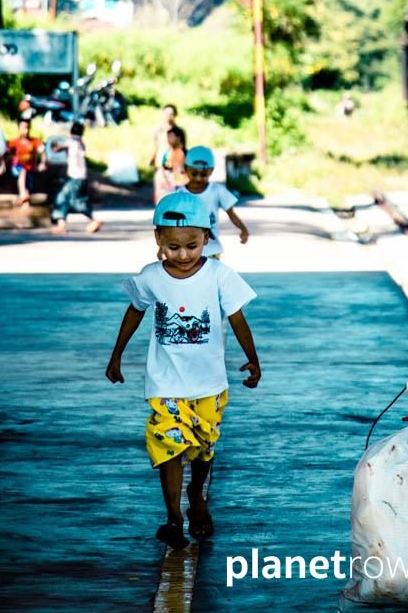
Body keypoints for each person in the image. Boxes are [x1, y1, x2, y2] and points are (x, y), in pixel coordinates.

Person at [105, 191, 260, 550]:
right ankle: (174, 517)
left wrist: (253, 359)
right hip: (166, 383)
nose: (184, 255)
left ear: (207, 237)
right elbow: (134, 312)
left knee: (204, 448)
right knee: (169, 446)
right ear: (158, 239)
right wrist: (116, 356)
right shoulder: (151, 278)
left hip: (209, 384)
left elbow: (238, 319)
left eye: (192, 245)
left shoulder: (220, 275)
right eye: (173, 247)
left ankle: (196, 492)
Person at [178, 145, 249, 258]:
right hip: (185, 250)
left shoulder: (217, 191)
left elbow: (231, 213)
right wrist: (162, 247)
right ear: (186, 168)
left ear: (211, 171)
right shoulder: (178, 195)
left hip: (211, 249)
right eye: (194, 173)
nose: (198, 178)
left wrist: (243, 229)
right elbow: (168, 223)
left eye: (203, 175)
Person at [50, 122, 102, 234]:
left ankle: (93, 219)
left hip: (75, 177)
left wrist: (53, 145)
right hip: (82, 177)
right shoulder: (81, 143)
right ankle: (62, 224)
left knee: (67, 200)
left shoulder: (71, 141)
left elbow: (58, 147)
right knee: (71, 199)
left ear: (71, 131)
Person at [0, 119, 45, 205]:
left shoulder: (35, 142)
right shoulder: (14, 142)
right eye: (23, 128)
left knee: (28, 190)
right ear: (19, 129)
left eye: (27, 128)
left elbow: (42, 152)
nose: (25, 131)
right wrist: (2, 165)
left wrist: (42, 163)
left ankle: (23, 200)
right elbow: (4, 153)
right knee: (23, 171)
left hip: (30, 169)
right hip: (17, 167)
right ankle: (22, 194)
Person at [153, 126, 188, 205]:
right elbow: (164, 166)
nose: (169, 139)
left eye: (171, 136)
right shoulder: (168, 152)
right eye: (168, 137)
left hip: (181, 183)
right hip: (168, 184)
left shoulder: (185, 153)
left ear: (179, 138)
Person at [150, 104, 186, 168]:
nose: (168, 116)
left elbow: (183, 148)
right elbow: (155, 147)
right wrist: (152, 159)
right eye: (166, 114)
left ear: (175, 115)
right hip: (160, 164)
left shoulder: (180, 131)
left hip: (175, 164)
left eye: (171, 114)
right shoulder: (158, 130)